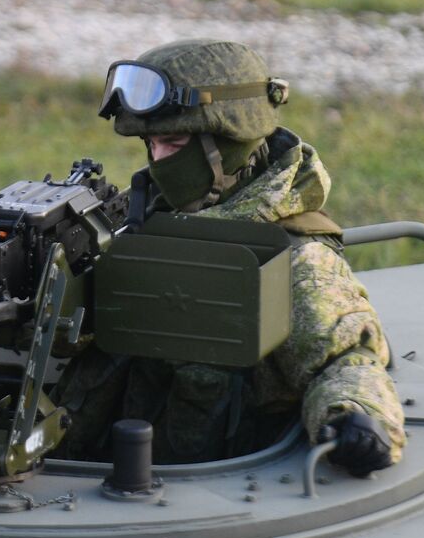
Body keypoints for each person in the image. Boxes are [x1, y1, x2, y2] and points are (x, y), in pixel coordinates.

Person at [55, 38, 404, 475]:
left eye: (173, 142)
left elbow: (347, 361)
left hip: (205, 484)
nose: (158, 160)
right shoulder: (144, 216)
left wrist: (355, 416)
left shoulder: (289, 258)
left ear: (231, 144)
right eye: (151, 144)